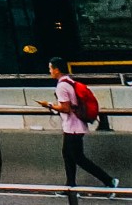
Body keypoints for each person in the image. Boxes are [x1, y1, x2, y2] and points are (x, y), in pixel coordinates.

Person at [40, 58, 117, 190]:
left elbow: (65, 108)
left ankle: (109, 181)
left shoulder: (61, 86)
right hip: (75, 125)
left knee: (78, 158)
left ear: (57, 69)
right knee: (67, 155)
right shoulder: (69, 81)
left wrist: (49, 105)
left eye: (50, 68)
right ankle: (70, 186)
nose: (50, 71)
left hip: (73, 127)